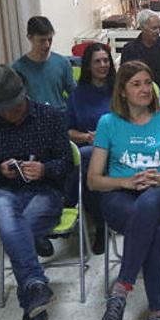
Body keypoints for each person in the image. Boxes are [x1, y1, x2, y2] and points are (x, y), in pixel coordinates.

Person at [90, 61, 160, 320]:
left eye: (148, 82)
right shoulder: (108, 123)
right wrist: (126, 183)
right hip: (121, 197)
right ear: (122, 91)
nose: (145, 89)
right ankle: (157, 313)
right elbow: (94, 180)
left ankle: (122, 288)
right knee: (157, 231)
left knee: (151, 203)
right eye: (136, 84)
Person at [0, 65, 71, 320]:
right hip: (6, 193)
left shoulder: (49, 116)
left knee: (15, 230)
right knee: (5, 209)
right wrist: (0, 171)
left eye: (14, 106)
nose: (10, 113)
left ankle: (31, 294)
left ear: (24, 95)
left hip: (45, 194)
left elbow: (66, 163)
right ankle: (35, 287)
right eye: (2, 109)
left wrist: (44, 169)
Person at [65, 42, 115, 255]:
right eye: (97, 61)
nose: (103, 65)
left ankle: (67, 206)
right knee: (84, 159)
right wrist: (87, 136)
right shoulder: (78, 95)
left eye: (106, 60)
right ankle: (101, 223)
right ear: (88, 66)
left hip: (119, 147)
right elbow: (68, 131)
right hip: (89, 145)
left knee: (84, 162)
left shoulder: (121, 89)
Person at [12, 16, 76, 111]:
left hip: (59, 115)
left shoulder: (63, 63)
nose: (47, 45)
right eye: (42, 40)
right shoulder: (17, 68)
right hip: (32, 118)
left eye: (50, 39)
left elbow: (74, 94)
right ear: (30, 38)